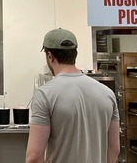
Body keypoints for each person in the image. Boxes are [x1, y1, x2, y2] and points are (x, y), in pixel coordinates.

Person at [26, 28, 120, 163]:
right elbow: (114, 149)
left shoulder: (45, 95)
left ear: (50, 56)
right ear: (75, 54)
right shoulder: (107, 93)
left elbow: (34, 157)